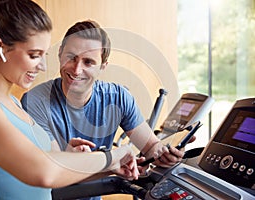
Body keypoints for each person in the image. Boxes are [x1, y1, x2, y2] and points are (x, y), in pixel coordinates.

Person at [0, 1, 140, 200]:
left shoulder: (12, 103)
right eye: (34, 55)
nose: (42, 66)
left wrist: (110, 167)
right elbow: (42, 171)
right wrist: (111, 157)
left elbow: (53, 171)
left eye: (45, 55)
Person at [21, 20, 193, 199]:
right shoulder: (35, 102)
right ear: (60, 54)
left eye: (88, 62)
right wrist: (110, 162)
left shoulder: (118, 97)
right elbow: (56, 174)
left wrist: (164, 154)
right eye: (71, 57)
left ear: (103, 66)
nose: (77, 69)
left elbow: (151, 146)